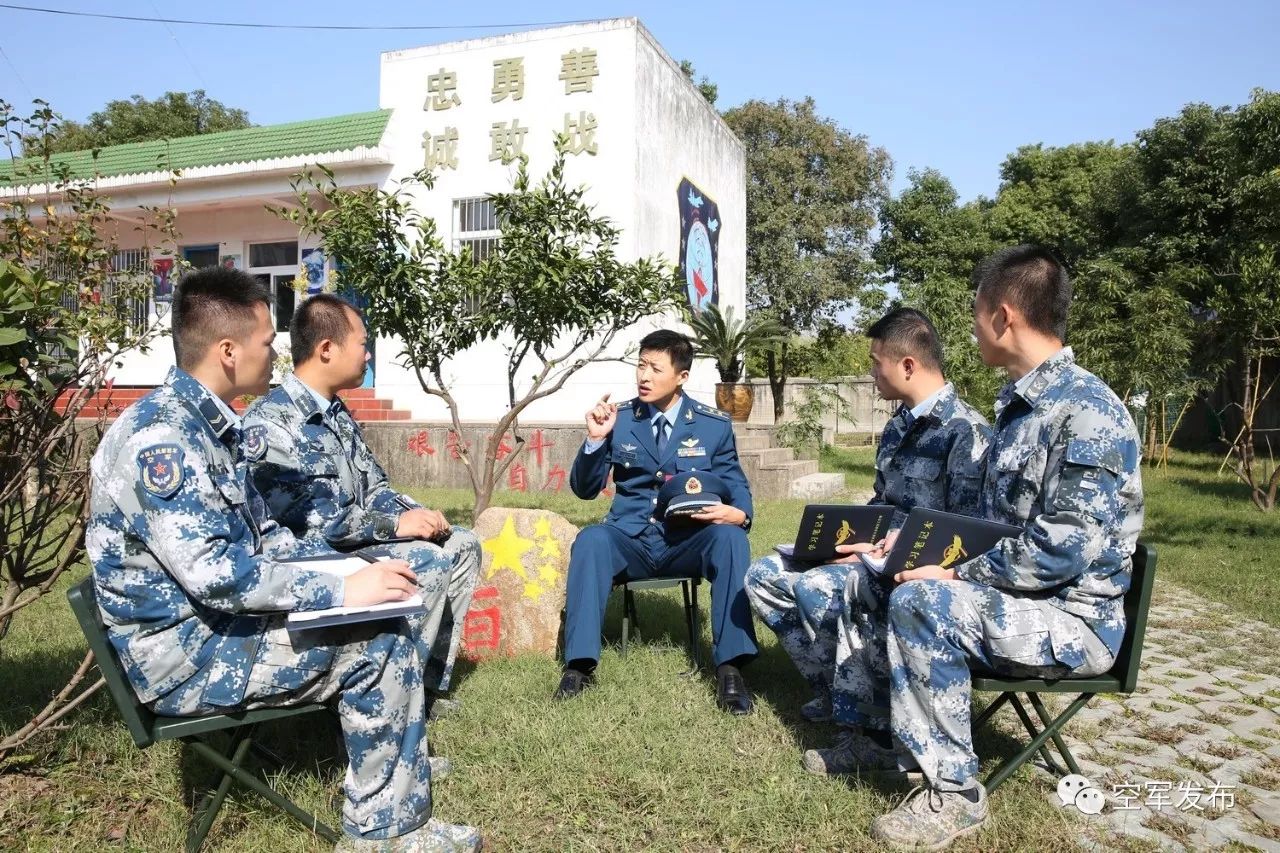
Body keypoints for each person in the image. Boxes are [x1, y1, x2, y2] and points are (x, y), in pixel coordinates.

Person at [86, 268, 480, 852]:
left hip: (215, 626)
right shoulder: (161, 439)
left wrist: (345, 571)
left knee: (386, 602)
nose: (275, 354)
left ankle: (390, 790)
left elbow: (267, 537)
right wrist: (341, 592)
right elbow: (219, 576)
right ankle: (384, 835)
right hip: (185, 653)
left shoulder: (210, 426)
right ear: (227, 351)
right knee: (379, 639)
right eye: (267, 341)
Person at [869, 246, 1144, 849]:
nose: (970, 327)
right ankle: (883, 738)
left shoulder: (1086, 412)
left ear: (1004, 316)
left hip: (1075, 620)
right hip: (1027, 600)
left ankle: (956, 797)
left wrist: (953, 573)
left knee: (924, 604)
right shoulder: (1023, 408)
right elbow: (991, 525)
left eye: (976, 312)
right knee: (891, 577)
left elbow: (1060, 552)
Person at [743, 308, 990, 776]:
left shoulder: (966, 432)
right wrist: (850, 537)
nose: (871, 372)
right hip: (873, 553)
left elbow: (964, 530)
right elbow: (883, 500)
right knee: (764, 576)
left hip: (913, 568)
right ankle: (838, 690)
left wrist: (891, 549)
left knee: (819, 589)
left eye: (877, 362)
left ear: (909, 365)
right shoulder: (898, 424)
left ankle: (871, 730)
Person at [245, 294, 480, 715]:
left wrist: (414, 512)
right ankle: (386, 700)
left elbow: (374, 485)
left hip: (348, 539)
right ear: (326, 349)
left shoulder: (334, 412)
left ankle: (423, 688)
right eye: (362, 343)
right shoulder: (272, 422)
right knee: (427, 562)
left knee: (461, 545)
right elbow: (313, 521)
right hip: (311, 553)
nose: (367, 353)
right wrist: (394, 527)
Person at [555, 329, 759, 714]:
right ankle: (578, 666)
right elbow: (584, 489)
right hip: (629, 539)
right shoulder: (621, 419)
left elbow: (735, 483)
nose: (643, 376)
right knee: (591, 539)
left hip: (685, 540)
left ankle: (731, 668)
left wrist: (740, 513)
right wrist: (596, 441)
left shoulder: (712, 425)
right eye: (640, 365)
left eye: (655, 368)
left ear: (682, 376)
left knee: (731, 540)